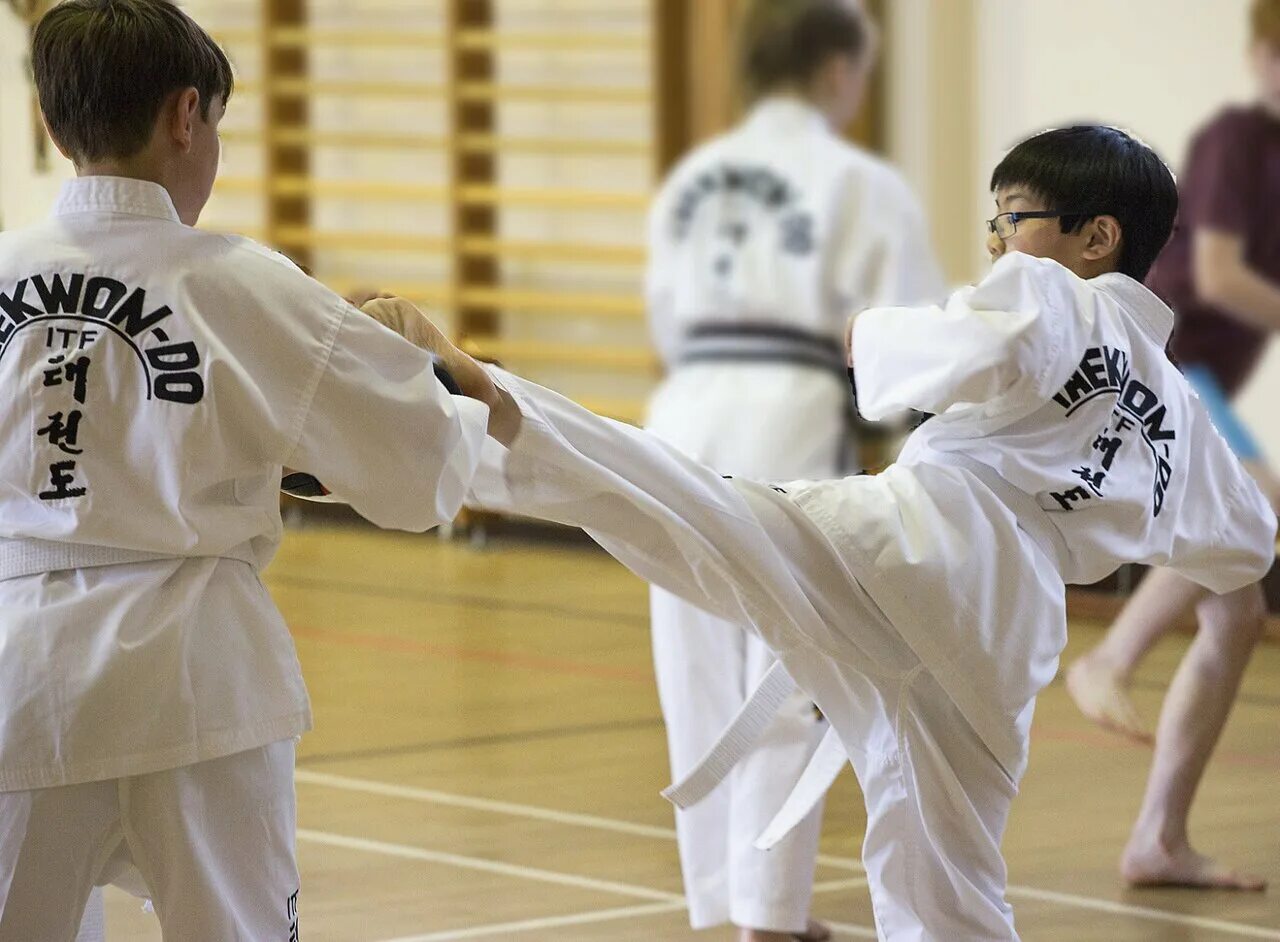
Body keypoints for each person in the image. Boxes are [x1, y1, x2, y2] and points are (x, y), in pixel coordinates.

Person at [367, 126, 1277, 940]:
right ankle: (462, 424)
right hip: (1013, 631)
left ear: (1097, 238)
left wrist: (871, 336)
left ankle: (469, 415)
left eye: (1013, 219)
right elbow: (1247, 542)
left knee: (693, 504)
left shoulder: (1051, 290)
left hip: (926, 538)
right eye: (993, 223)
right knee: (951, 881)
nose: (996, 243)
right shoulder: (1177, 405)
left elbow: (978, 342)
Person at [0, 2, 499, 938]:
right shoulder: (242, 283)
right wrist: (442, 380)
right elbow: (417, 475)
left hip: (16, 682)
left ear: (50, 123)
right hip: (197, 690)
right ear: (186, 116)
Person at [642, 1, 941, 938]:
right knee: (783, 665)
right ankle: (768, 915)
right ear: (832, 71)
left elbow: (663, 312)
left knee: (695, 671)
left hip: (684, 413)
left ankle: (720, 907)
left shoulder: (695, 175)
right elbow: (909, 337)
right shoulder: (859, 180)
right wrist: (894, 428)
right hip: (789, 416)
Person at [1064, 0, 1280, 891]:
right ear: (1265, 56)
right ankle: (1108, 656)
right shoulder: (1240, 139)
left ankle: (1158, 837)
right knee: (1258, 499)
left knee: (1237, 612)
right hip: (1163, 360)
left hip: (1201, 380)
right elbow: (1224, 274)